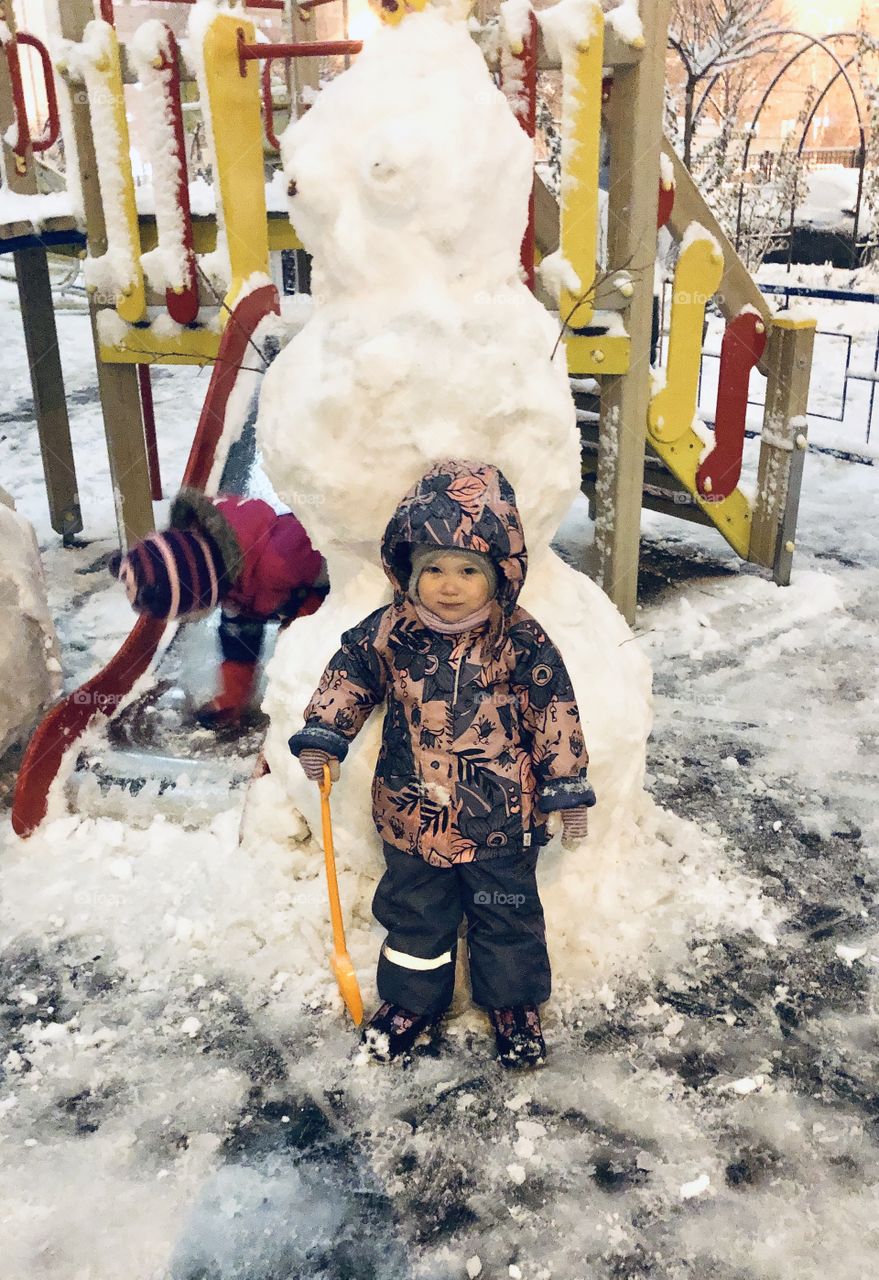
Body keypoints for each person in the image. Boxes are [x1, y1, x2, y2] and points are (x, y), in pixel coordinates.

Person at [288, 460, 595, 1068]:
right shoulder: (389, 633)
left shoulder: (520, 640)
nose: (448, 585)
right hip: (414, 817)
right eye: (432, 568)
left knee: (507, 918)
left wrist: (568, 790)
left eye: (467, 570)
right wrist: (326, 732)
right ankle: (411, 1003)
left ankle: (513, 1004)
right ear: (408, 569)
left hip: (503, 821)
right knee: (415, 919)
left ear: (499, 576)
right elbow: (349, 676)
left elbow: (553, 711)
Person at [110, 489, 327, 726]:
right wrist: (232, 699)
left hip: (326, 592)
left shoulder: (280, 560)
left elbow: (342, 577)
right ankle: (235, 698)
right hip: (268, 591)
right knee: (238, 630)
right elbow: (239, 641)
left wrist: (303, 625)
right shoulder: (228, 576)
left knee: (299, 644)